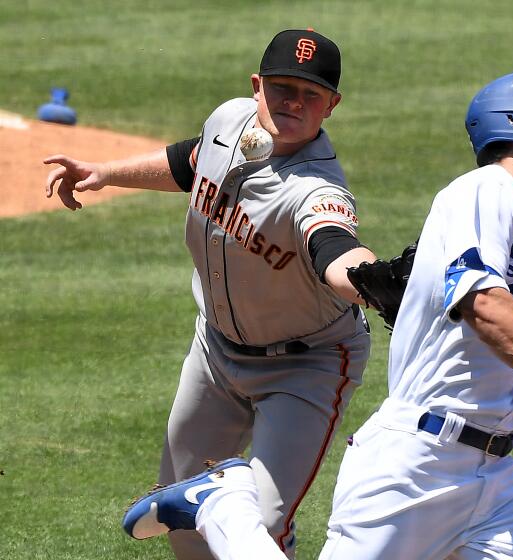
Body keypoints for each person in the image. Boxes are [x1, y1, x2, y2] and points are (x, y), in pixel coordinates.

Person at [121, 69, 513, 560]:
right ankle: (223, 507)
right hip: (412, 464)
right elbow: (480, 299)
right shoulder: (479, 194)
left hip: (494, 479)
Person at [44, 29, 376, 560]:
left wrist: (368, 278)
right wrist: (106, 173)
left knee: (258, 530)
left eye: (310, 94)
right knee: (182, 520)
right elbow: (190, 162)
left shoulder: (318, 189)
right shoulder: (230, 120)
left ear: (331, 105)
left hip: (304, 368)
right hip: (215, 353)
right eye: (281, 86)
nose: (293, 101)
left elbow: (334, 248)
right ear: (256, 86)